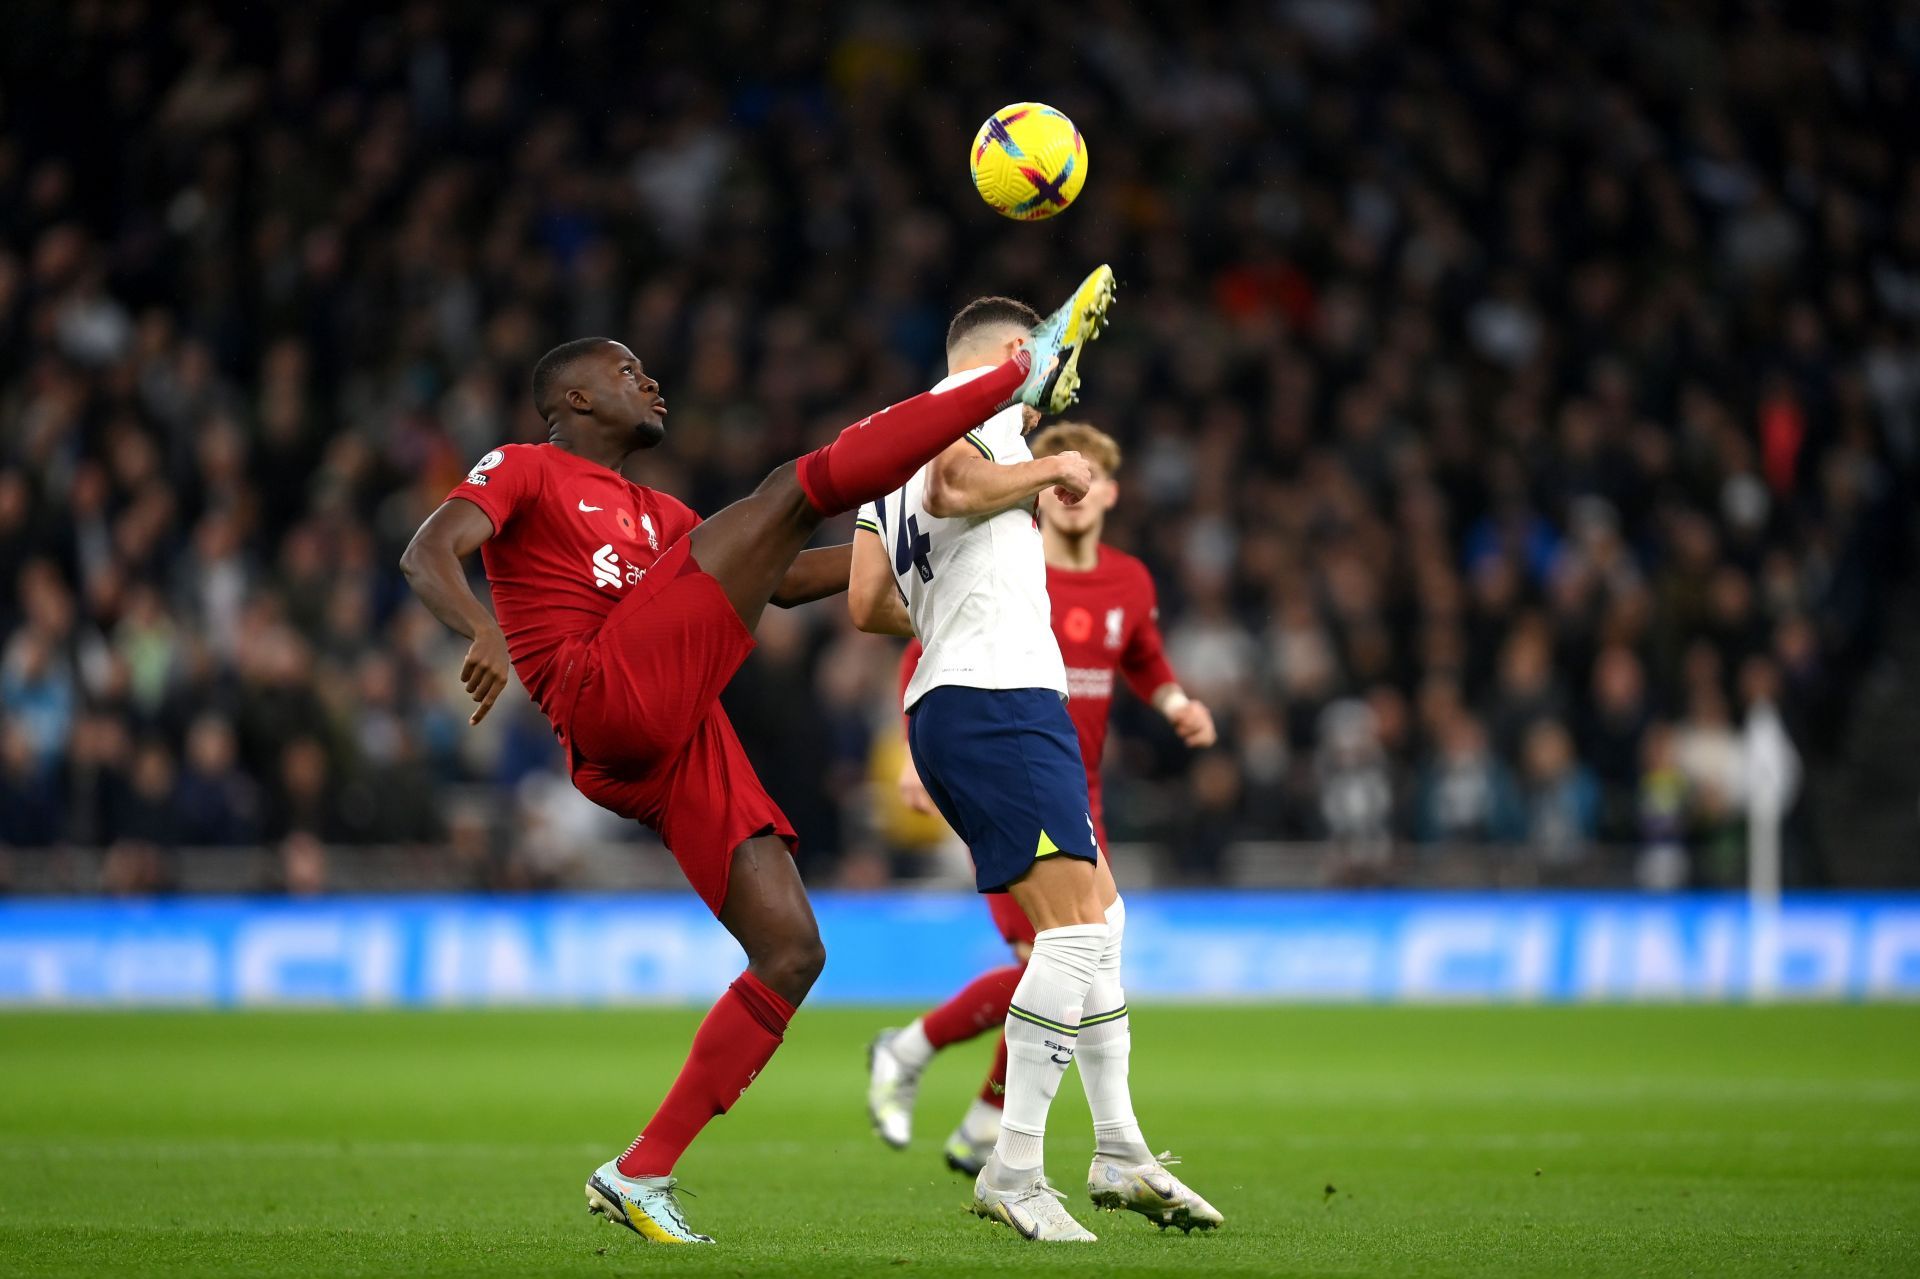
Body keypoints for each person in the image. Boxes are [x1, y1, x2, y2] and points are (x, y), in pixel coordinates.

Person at [398, 265, 1116, 1245]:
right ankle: (1009, 379)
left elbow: (782, 575)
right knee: (785, 489)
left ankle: (640, 1170)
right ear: (574, 397)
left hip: (669, 735)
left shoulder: (664, 521)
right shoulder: (524, 465)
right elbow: (428, 548)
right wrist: (473, 627)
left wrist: (920, 565)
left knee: (791, 948)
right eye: (627, 368)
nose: (650, 382)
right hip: (603, 693)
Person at [849, 290, 1221, 1242]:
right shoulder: (976, 422)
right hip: (1003, 703)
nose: (1061, 381)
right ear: (1013, 353)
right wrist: (1051, 459)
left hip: (961, 699)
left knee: (1104, 916)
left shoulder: (880, 448)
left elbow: (864, 601)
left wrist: (950, 617)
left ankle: (1121, 1147)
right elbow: (952, 487)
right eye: (1049, 361)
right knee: (1076, 940)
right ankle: (1012, 1166)